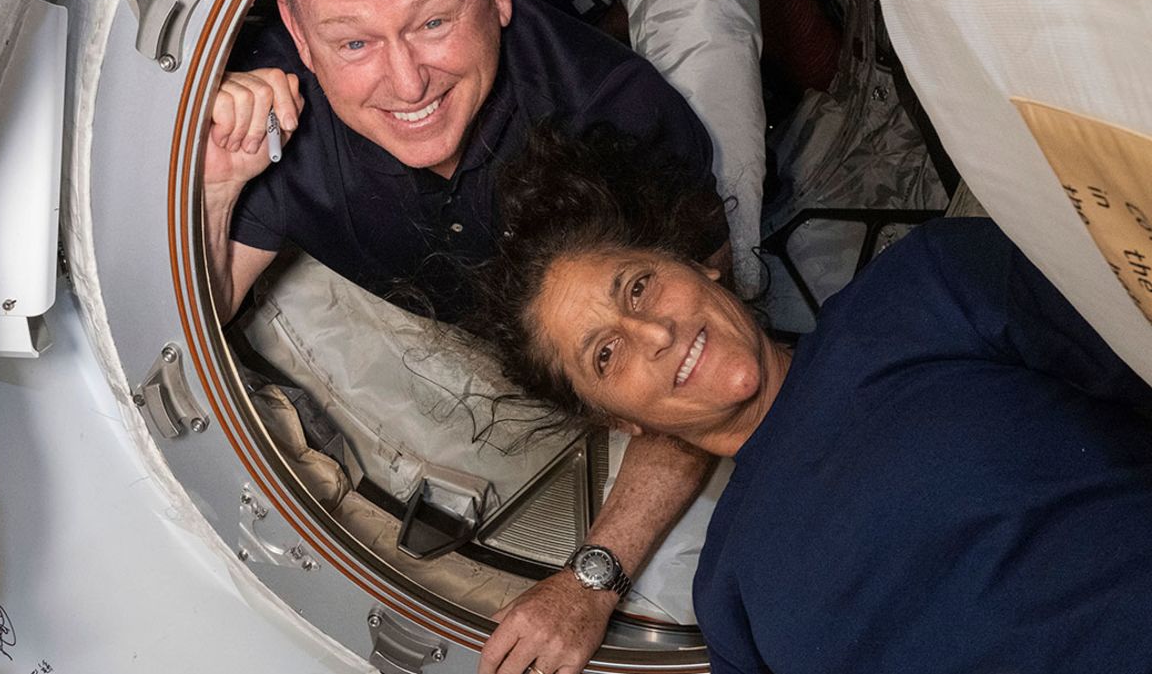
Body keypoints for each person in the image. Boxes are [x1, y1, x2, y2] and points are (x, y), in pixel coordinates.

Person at [203, 0, 732, 671]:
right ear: (299, 35)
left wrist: (592, 578)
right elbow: (205, 310)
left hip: (617, 281)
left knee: (701, 7)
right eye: (352, 43)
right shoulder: (278, 113)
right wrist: (218, 186)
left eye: (433, 21)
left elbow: (709, 361)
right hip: (472, 328)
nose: (406, 80)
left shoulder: (617, 118)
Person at [474, 125, 1152, 673]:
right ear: (618, 419)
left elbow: (1136, 345)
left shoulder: (922, 290)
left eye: (639, 286)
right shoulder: (729, 597)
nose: (653, 332)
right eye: (606, 354)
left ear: (696, 260)